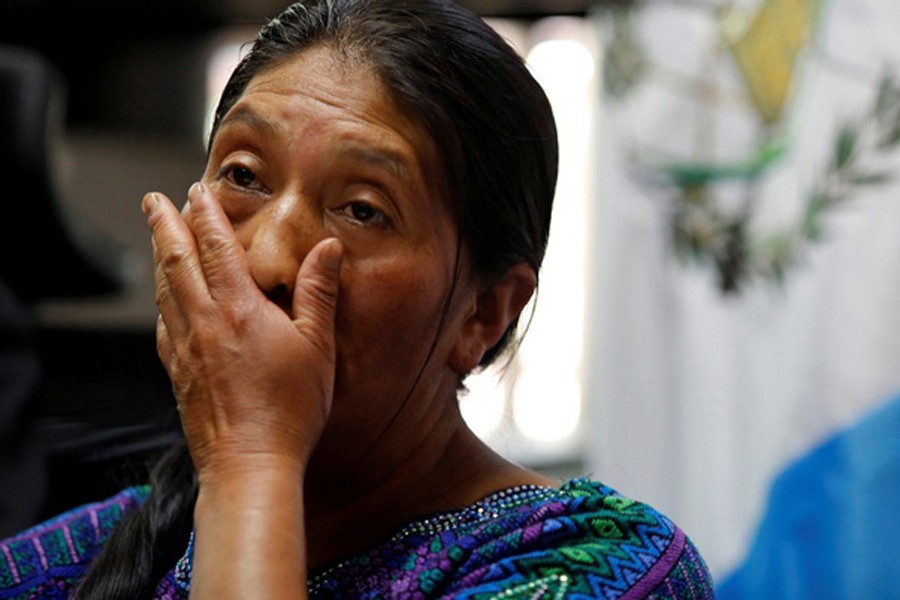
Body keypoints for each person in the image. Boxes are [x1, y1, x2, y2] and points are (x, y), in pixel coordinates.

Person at [0, 1, 715, 598]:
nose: (268, 259)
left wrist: (252, 454)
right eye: (245, 176)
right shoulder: (83, 558)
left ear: (483, 314)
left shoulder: (597, 565)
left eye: (363, 210)